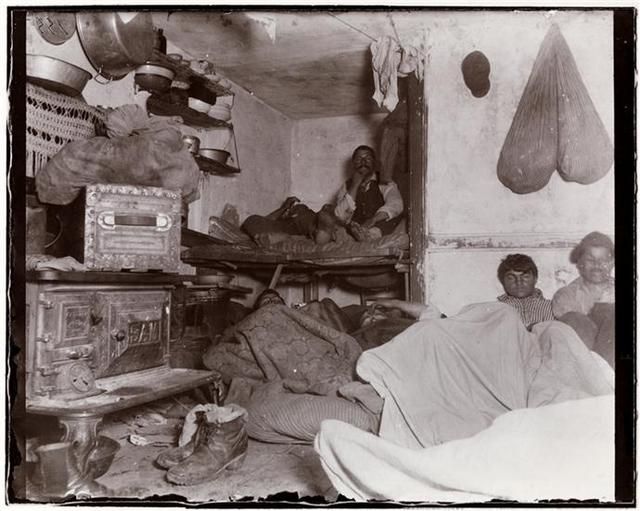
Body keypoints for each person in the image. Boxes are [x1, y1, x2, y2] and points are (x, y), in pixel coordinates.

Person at [552, 231, 615, 367]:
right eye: (590, 260)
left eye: (603, 260)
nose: (597, 265)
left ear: (611, 263)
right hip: (582, 365)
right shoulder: (565, 296)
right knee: (574, 319)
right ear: (580, 263)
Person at [334, 145, 404, 241]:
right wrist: (355, 185)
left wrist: (373, 219)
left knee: (394, 216)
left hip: (378, 224)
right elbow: (341, 215)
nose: (363, 162)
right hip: (357, 227)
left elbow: (396, 204)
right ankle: (358, 235)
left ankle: (371, 235)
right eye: (359, 159)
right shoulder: (347, 185)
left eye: (368, 158)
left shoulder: (384, 181)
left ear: (374, 163)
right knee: (334, 218)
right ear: (353, 164)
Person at [496, 254, 554, 330]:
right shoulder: (497, 311)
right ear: (503, 281)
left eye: (525, 276)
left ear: (535, 278)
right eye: (511, 278)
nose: (519, 282)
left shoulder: (552, 308)